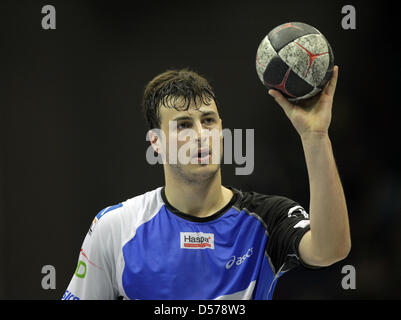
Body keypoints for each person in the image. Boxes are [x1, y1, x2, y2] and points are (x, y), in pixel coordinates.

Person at [62, 67, 351, 300]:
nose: (201, 134)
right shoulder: (115, 227)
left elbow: (331, 250)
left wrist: (315, 137)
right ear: (156, 143)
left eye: (209, 120)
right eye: (184, 124)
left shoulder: (266, 219)